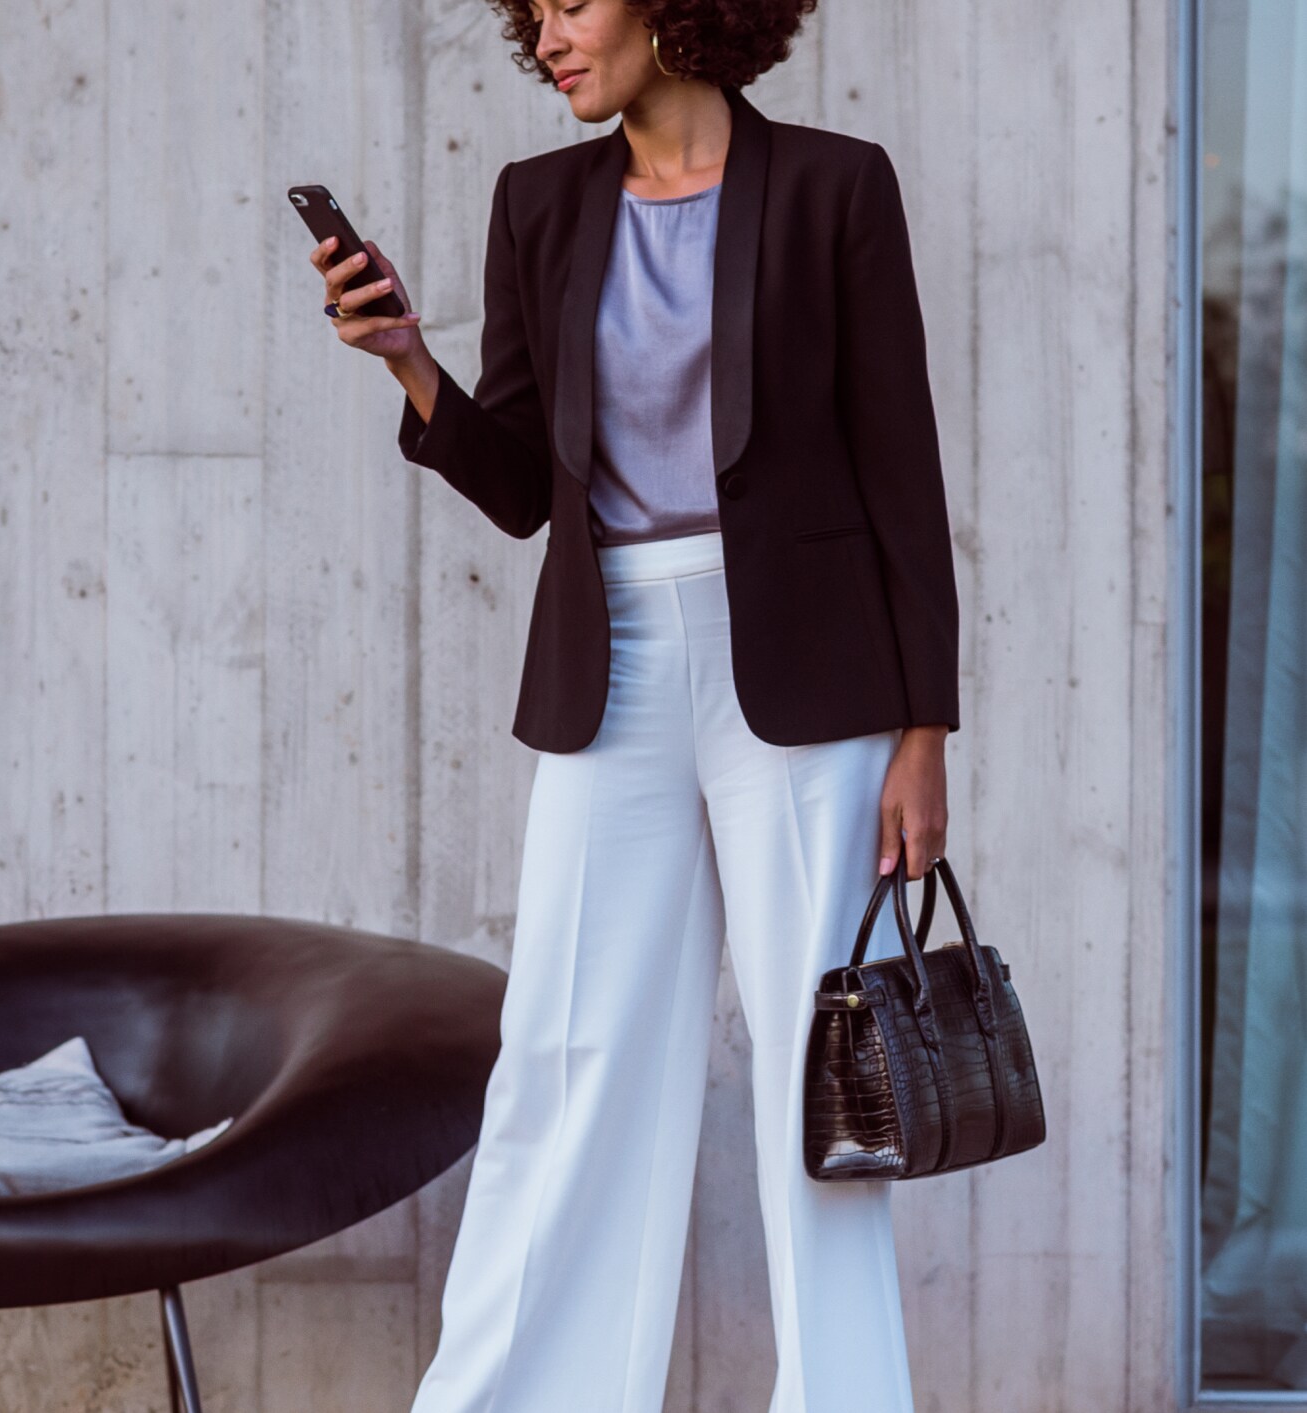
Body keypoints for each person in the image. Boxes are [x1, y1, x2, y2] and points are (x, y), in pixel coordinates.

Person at [307, 1, 958, 1409]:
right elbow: (524, 488)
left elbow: (902, 468)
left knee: (821, 1082)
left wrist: (926, 730)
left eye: (571, 4)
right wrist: (412, 362)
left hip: (812, 676)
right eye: (531, 14)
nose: (547, 35)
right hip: (614, 667)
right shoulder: (538, 204)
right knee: (564, 1057)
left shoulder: (837, 187)